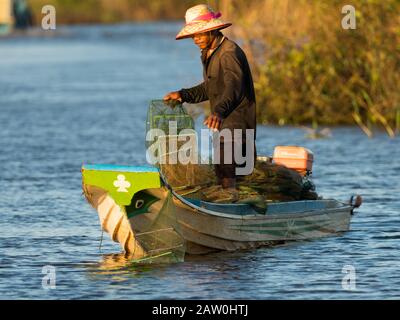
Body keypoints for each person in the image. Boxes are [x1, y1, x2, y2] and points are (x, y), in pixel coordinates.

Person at [164, 4, 256, 195]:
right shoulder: (209, 53)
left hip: (237, 122)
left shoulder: (229, 53)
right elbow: (210, 88)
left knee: (228, 171)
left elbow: (234, 88)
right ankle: (230, 203)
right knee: (225, 171)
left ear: (213, 30)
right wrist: (183, 95)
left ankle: (229, 208)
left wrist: (218, 112)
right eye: (193, 35)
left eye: (200, 34)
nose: (196, 39)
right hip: (223, 123)